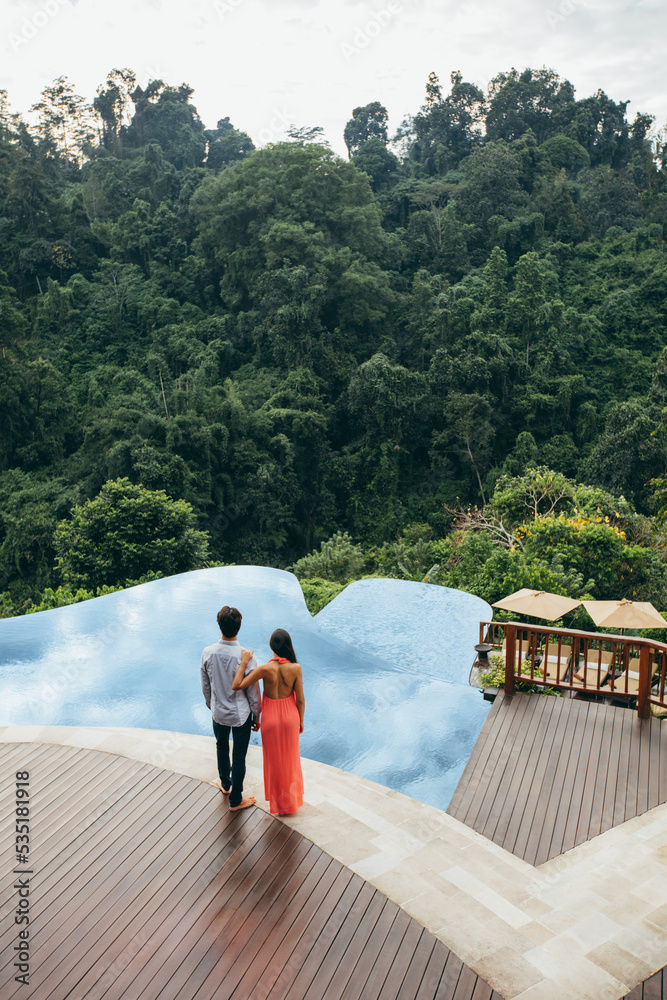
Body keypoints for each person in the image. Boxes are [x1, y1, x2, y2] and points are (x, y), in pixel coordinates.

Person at [232, 628, 304, 816]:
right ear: (288, 646)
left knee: (274, 762)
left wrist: (244, 663)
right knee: (290, 759)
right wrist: (301, 720)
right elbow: (300, 700)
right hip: (290, 717)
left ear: (271, 646)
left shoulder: (264, 669)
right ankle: (290, 803)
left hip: (270, 719)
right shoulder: (296, 668)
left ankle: (279, 804)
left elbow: (237, 685)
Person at [200, 605, 260, 812]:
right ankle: (236, 800)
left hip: (218, 712)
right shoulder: (246, 657)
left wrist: (213, 705)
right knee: (239, 755)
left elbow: (205, 685)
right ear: (239, 626)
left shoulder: (208, 652)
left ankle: (225, 784)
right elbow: (253, 692)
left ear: (219, 625)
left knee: (221, 746)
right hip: (241, 714)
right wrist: (257, 715)